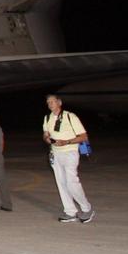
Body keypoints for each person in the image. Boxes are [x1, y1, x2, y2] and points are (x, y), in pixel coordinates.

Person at [42, 94, 94, 223]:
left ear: (59, 102)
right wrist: (48, 139)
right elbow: (45, 134)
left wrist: (67, 142)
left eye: (52, 102)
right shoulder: (47, 118)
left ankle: (87, 208)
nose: (50, 104)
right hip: (56, 153)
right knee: (61, 183)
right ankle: (70, 211)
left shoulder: (70, 116)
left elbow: (83, 136)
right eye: (48, 102)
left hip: (70, 152)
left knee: (72, 182)